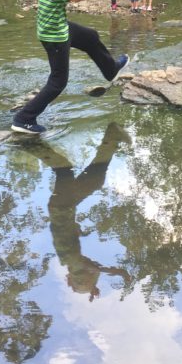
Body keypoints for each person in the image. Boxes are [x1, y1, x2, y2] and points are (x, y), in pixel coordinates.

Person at [11, 0, 129, 135]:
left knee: (90, 36)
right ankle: (24, 118)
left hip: (53, 27)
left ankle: (111, 70)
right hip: (55, 36)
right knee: (58, 81)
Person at [23, 124, 133, 300]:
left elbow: (90, 267)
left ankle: (28, 143)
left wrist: (117, 272)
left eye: (84, 276)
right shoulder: (69, 258)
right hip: (63, 208)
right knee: (78, 175)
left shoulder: (69, 259)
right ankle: (112, 137)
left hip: (63, 207)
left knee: (68, 171)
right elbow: (89, 265)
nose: (90, 269)